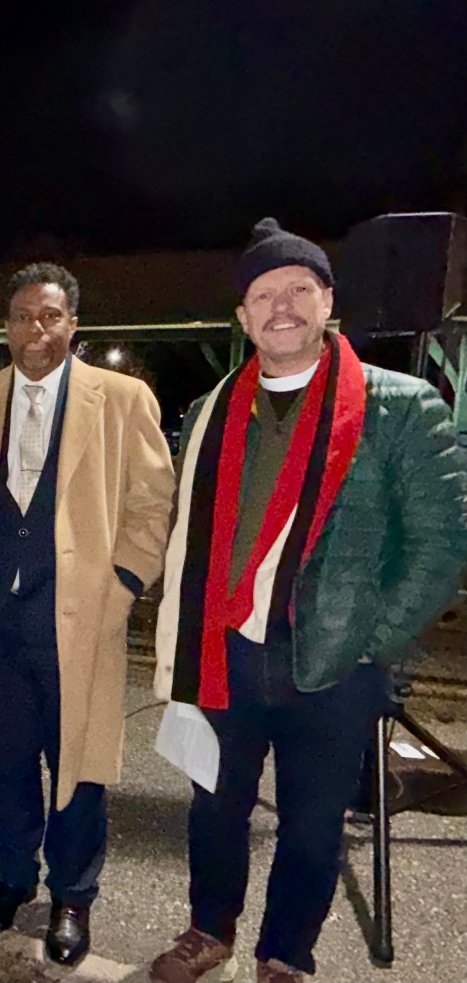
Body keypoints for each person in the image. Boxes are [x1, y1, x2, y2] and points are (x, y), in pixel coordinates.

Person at [148, 219, 467, 983]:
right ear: (242, 317)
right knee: (215, 809)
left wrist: (372, 638)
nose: (281, 305)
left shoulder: (401, 406)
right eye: (263, 293)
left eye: (299, 288)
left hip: (336, 658)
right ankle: (208, 928)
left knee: (313, 823)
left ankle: (286, 951)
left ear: (329, 301)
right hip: (226, 650)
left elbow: (443, 542)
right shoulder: (210, 412)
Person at [0, 262, 175, 966]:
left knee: (80, 766)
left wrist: (126, 579)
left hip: (80, 621)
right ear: (4, 325)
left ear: (73, 324)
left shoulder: (123, 399)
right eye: (20, 317)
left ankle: (73, 894)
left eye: (49, 316)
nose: (34, 330)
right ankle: (12, 877)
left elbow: (151, 502)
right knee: (11, 762)